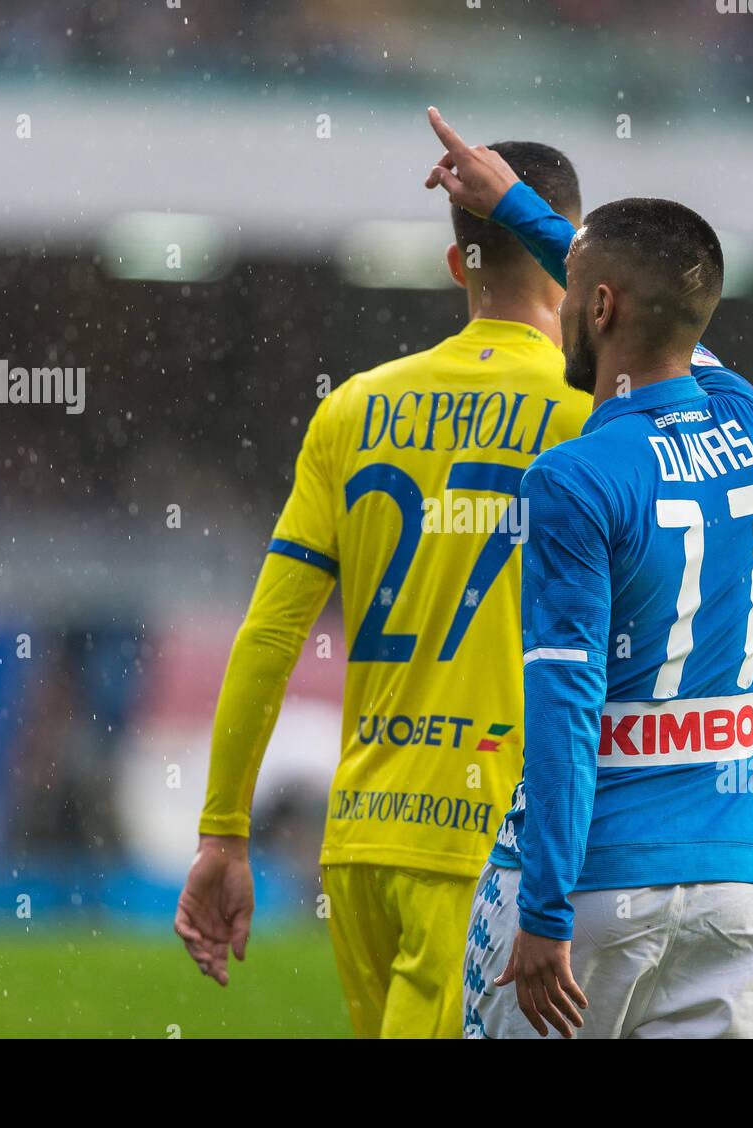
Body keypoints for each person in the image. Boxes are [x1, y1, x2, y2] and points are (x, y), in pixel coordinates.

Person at [175, 140, 592, 1038]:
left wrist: (223, 830)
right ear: (572, 255)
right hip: (496, 841)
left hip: (363, 836)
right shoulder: (597, 411)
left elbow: (270, 635)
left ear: (456, 263)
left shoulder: (353, 407)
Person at [425, 108, 753, 1039]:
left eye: (573, 292)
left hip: (593, 888)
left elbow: (564, 700)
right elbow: (649, 298)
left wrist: (544, 911)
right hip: (736, 885)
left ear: (596, 309)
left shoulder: (574, 479)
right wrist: (517, 205)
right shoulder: (751, 419)